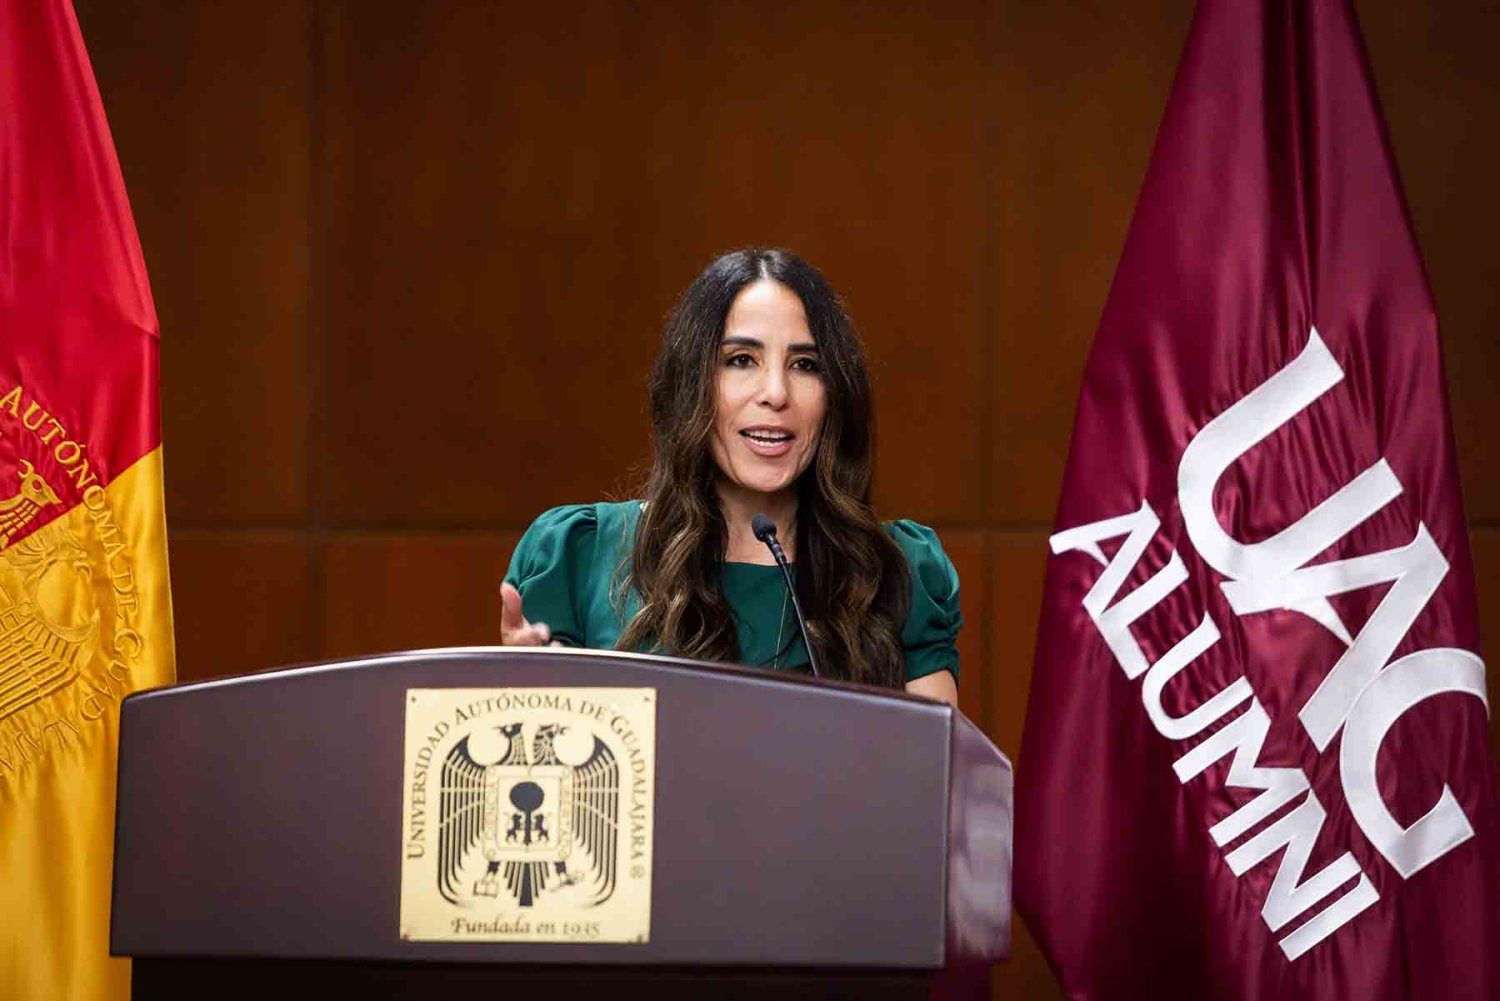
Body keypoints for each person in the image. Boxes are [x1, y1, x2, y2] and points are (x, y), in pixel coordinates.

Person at [498, 248, 961, 706]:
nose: (776, 393)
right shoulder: (581, 557)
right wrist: (531, 697)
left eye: (805, 364)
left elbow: (937, 754)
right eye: (741, 359)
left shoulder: (898, 573)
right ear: (692, 383)